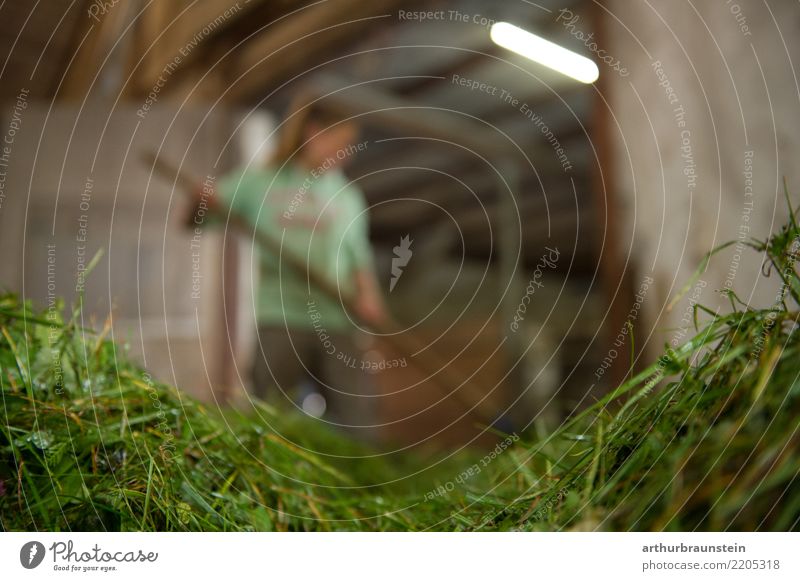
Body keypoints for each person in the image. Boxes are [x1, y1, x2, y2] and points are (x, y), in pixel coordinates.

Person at [186, 98, 385, 439]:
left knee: (359, 419)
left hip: (337, 318)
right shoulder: (261, 183)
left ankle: (362, 479)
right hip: (279, 318)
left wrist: (371, 301)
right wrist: (199, 202)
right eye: (342, 143)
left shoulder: (346, 196)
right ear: (314, 133)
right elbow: (195, 220)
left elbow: (359, 260)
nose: (348, 153)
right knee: (270, 416)